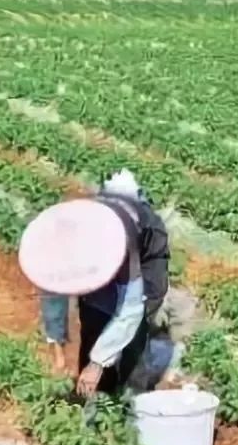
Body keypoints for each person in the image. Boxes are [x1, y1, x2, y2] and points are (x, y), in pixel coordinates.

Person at [22, 170, 170, 397]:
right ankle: (95, 397)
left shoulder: (124, 242)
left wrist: (98, 363)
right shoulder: (61, 244)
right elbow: (53, 294)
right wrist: (57, 343)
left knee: (135, 332)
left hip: (145, 256)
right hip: (105, 240)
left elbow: (131, 310)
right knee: (93, 319)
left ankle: (131, 398)